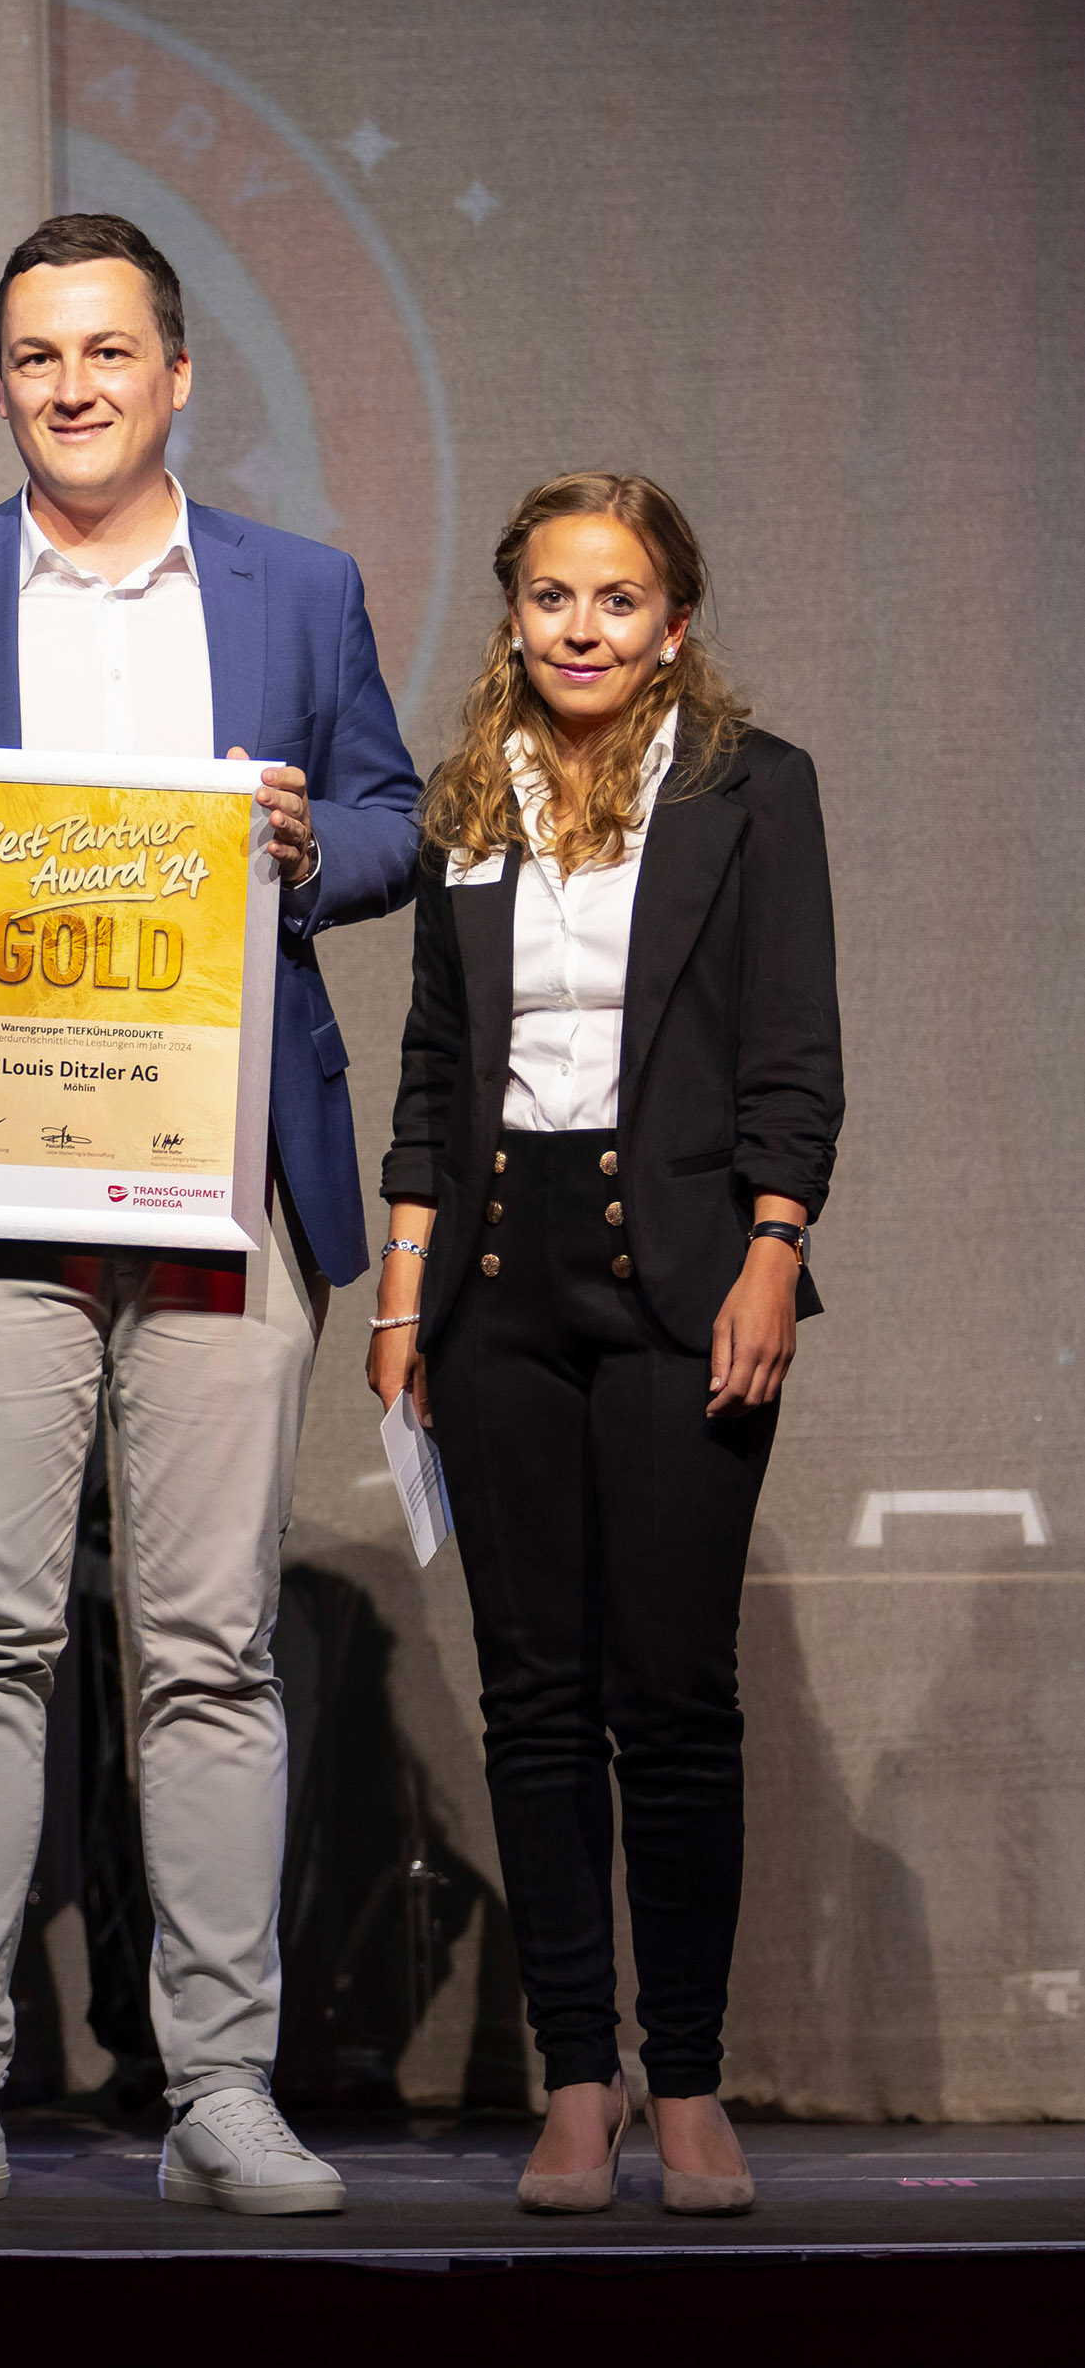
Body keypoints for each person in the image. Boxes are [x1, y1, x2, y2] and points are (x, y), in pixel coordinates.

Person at [0, 213, 419, 2215]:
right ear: (4, 384)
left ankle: (218, 2078)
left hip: (219, 1189)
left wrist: (311, 843)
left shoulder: (299, 593)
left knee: (210, 1645)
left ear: (179, 373)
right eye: (36, 356)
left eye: (106, 352)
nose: (71, 386)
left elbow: (395, 814)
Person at [368, 472, 842, 2215]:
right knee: (537, 1696)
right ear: (512, 614)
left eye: (618, 599)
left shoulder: (749, 790)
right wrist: (404, 1293)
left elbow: (794, 1046)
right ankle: (580, 2078)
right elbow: (431, 1073)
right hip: (500, 1275)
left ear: (673, 622)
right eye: (553, 598)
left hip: (687, 1265)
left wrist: (774, 1246)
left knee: (674, 1691)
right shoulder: (460, 804)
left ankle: (692, 2080)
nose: (582, 628)